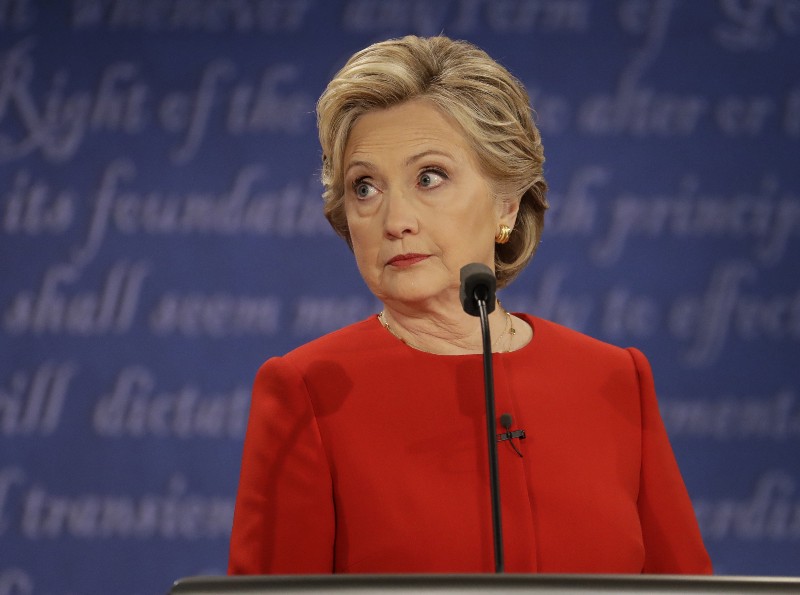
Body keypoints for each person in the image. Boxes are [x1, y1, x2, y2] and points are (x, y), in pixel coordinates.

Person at [228, 35, 712, 575]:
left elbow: (686, 587)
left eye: (429, 178)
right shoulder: (309, 393)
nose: (395, 220)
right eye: (365, 187)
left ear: (506, 202)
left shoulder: (615, 380)